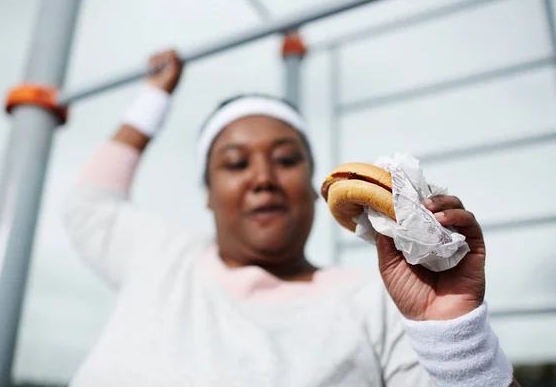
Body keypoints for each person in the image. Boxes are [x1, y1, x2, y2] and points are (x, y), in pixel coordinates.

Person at [62, 50, 521, 386]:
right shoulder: (159, 256)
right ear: (207, 194)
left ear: (313, 185)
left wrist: (457, 334)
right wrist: (153, 98)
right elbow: (87, 203)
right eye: (235, 164)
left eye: (285, 159)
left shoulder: (385, 306)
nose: (263, 178)